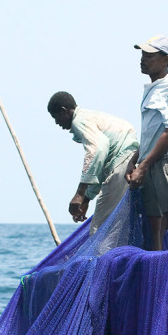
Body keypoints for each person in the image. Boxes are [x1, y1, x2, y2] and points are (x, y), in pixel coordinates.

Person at [125, 36, 168, 250]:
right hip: (150, 163)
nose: (143, 60)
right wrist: (135, 160)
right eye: (142, 55)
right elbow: (152, 133)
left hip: (165, 163)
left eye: (149, 56)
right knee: (154, 227)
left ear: (165, 59)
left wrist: (143, 167)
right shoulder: (154, 88)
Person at [48, 91, 138, 235]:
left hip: (122, 165)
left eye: (56, 117)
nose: (57, 123)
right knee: (121, 224)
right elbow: (101, 163)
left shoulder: (79, 121)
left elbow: (98, 149)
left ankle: (101, 257)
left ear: (64, 111)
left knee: (100, 230)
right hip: (131, 162)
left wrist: (79, 193)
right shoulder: (90, 116)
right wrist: (87, 198)